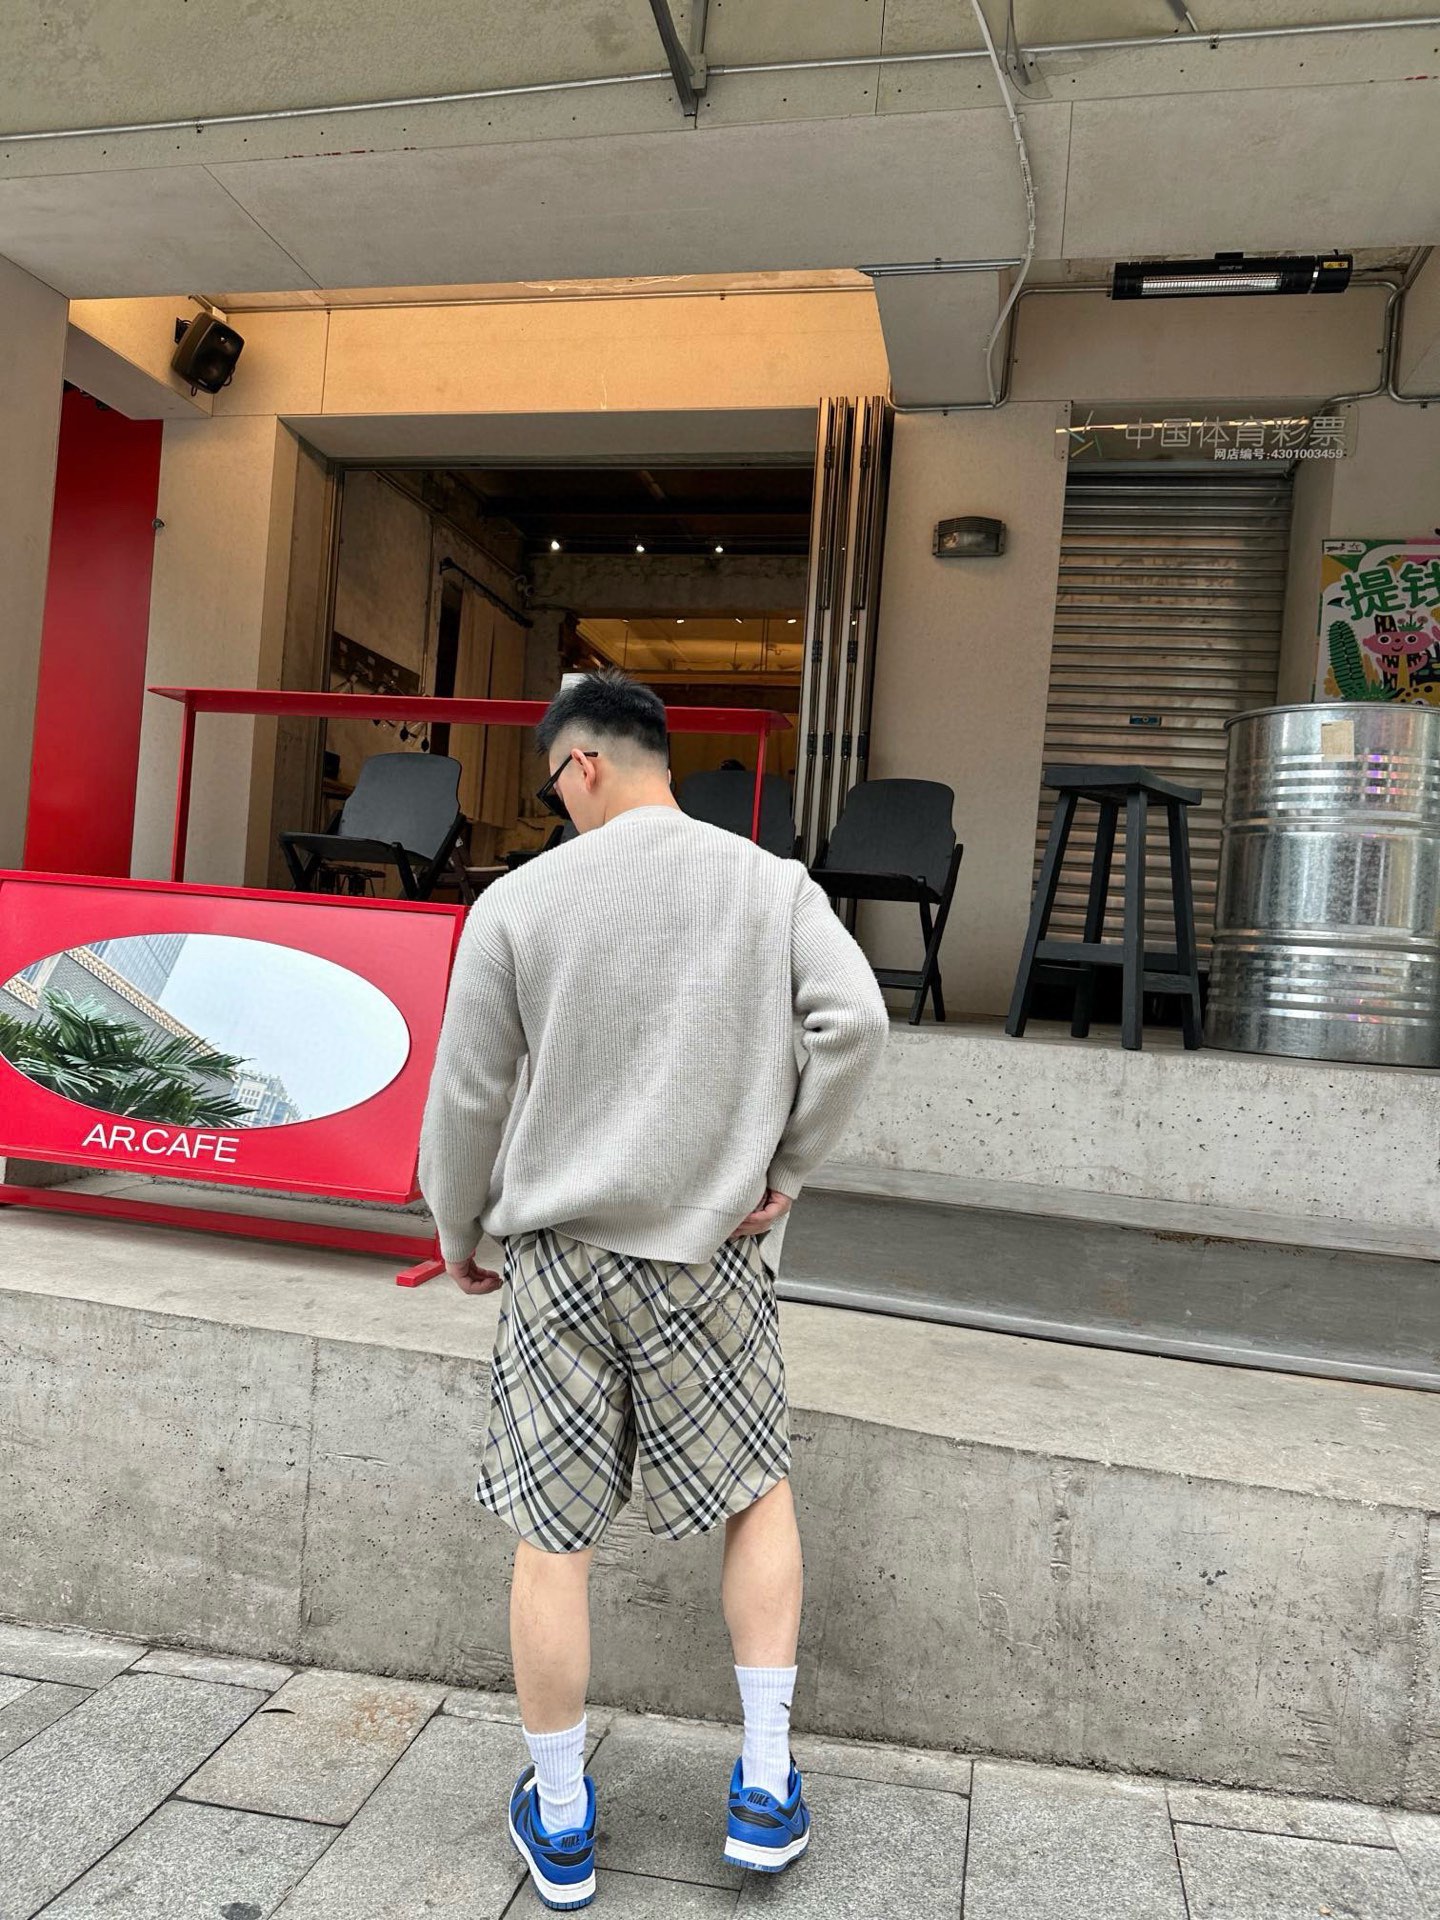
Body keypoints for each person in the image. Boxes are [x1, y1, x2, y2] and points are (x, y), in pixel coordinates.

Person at [418, 668, 889, 1911]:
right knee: (754, 1494)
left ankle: (563, 1818)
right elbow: (857, 1022)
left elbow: (467, 1093)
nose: (558, 804)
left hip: (560, 1261)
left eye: (554, 784)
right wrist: (783, 1166)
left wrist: (458, 1227)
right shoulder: (771, 886)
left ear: (581, 763)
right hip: (707, 1257)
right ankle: (765, 1787)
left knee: (553, 1535)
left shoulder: (520, 902)